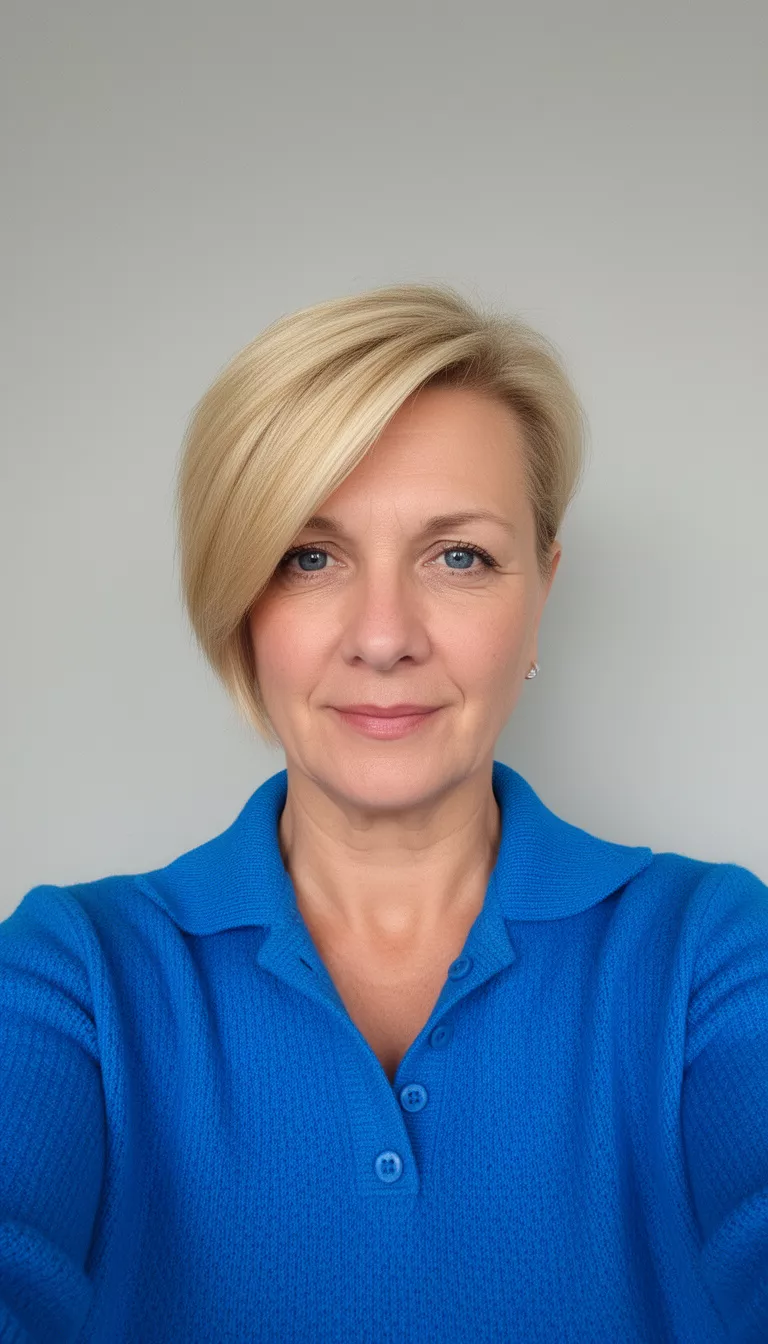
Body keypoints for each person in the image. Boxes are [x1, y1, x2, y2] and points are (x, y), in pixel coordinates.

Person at [1, 282, 766, 1343]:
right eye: (310, 557)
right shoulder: (72, 973)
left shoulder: (712, 951)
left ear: (540, 592)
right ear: (241, 605)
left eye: (459, 556)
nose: (383, 636)